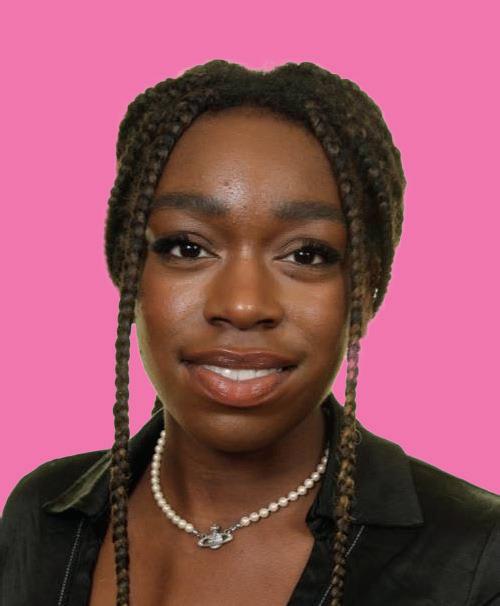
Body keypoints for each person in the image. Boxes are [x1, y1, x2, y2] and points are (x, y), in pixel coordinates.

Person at [1, 60, 499, 606]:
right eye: (187, 247)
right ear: (128, 269)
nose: (242, 305)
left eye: (307, 255)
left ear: (364, 287)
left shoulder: (477, 557)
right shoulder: (41, 512)